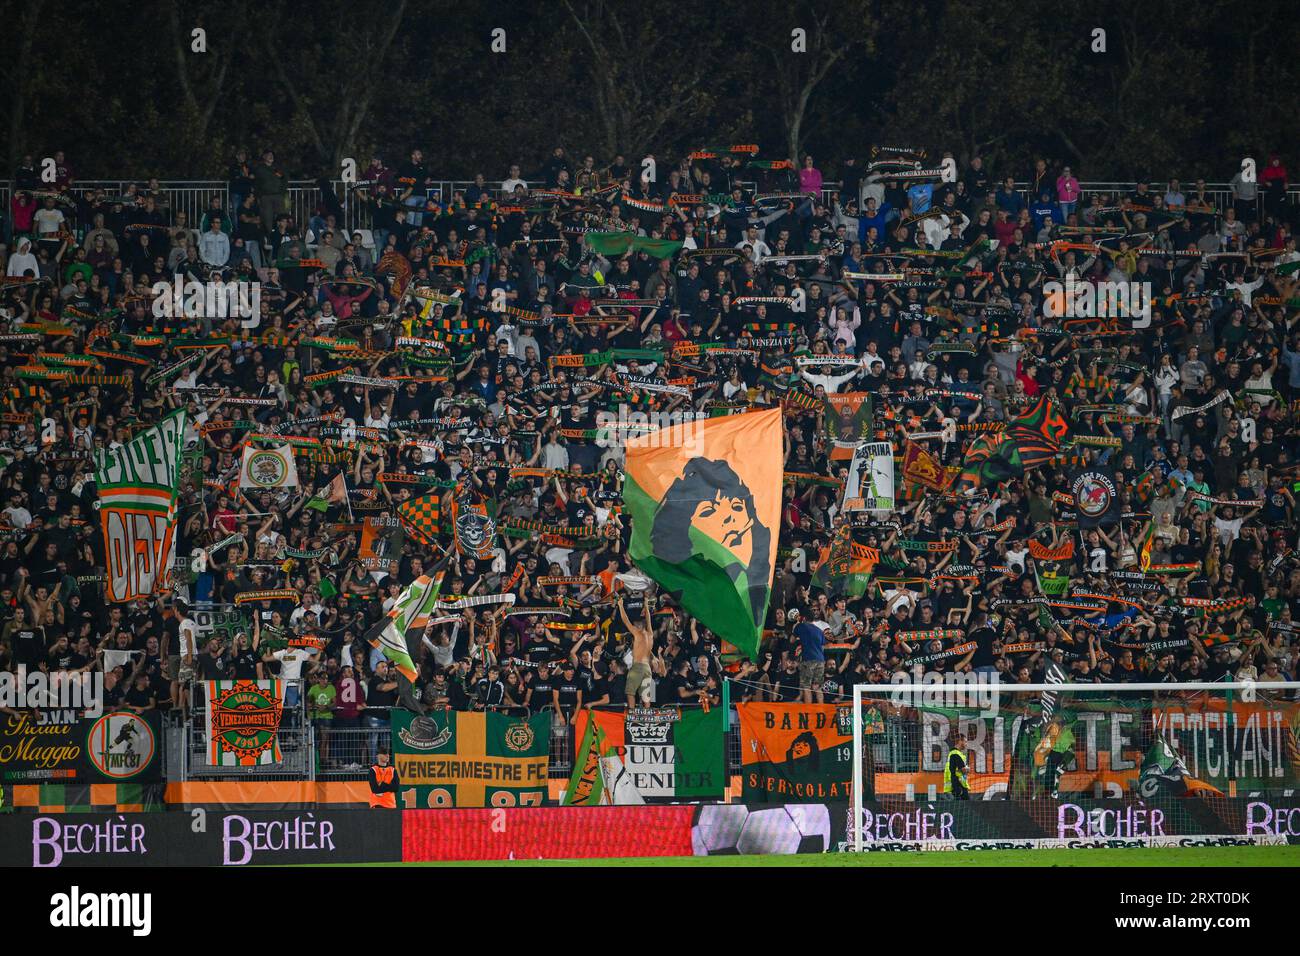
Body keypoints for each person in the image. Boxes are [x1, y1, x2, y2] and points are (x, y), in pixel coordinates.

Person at [943, 733, 970, 800]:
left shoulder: (954, 753)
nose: (966, 744)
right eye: (965, 741)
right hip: (957, 786)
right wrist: (967, 769)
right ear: (960, 741)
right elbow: (964, 770)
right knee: (965, 807)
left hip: (955, 786)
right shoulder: (956, 754)